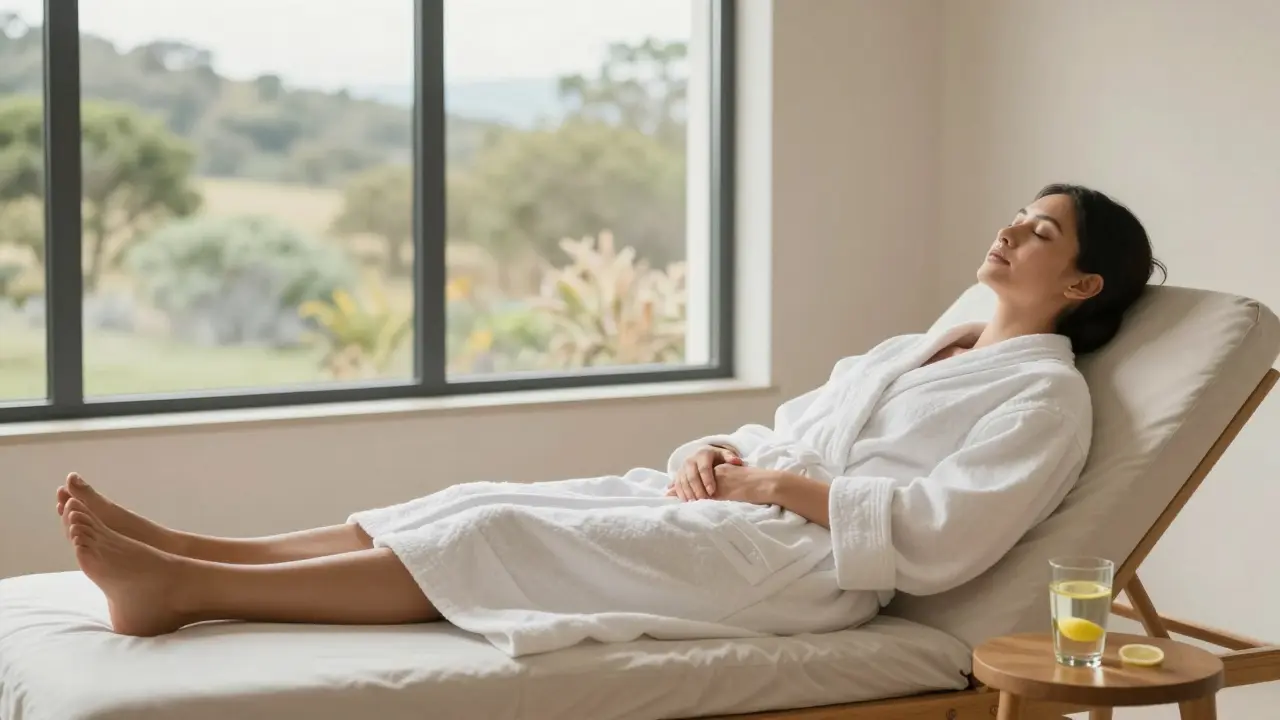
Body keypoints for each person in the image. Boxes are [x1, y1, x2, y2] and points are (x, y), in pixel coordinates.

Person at [56, 183, 1165, 657]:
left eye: (1039, 233)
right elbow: (792, 424)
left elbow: (948, 532)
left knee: (498, 536)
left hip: (803, 569)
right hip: (742, 511)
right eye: (1015, 218)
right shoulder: (924, 346)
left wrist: (775, 488)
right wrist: (714, 452)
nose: (1007, 235)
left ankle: (188, 592)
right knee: (473, 497)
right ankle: (197, 551)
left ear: (1081, 286)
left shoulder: (1042, 397)